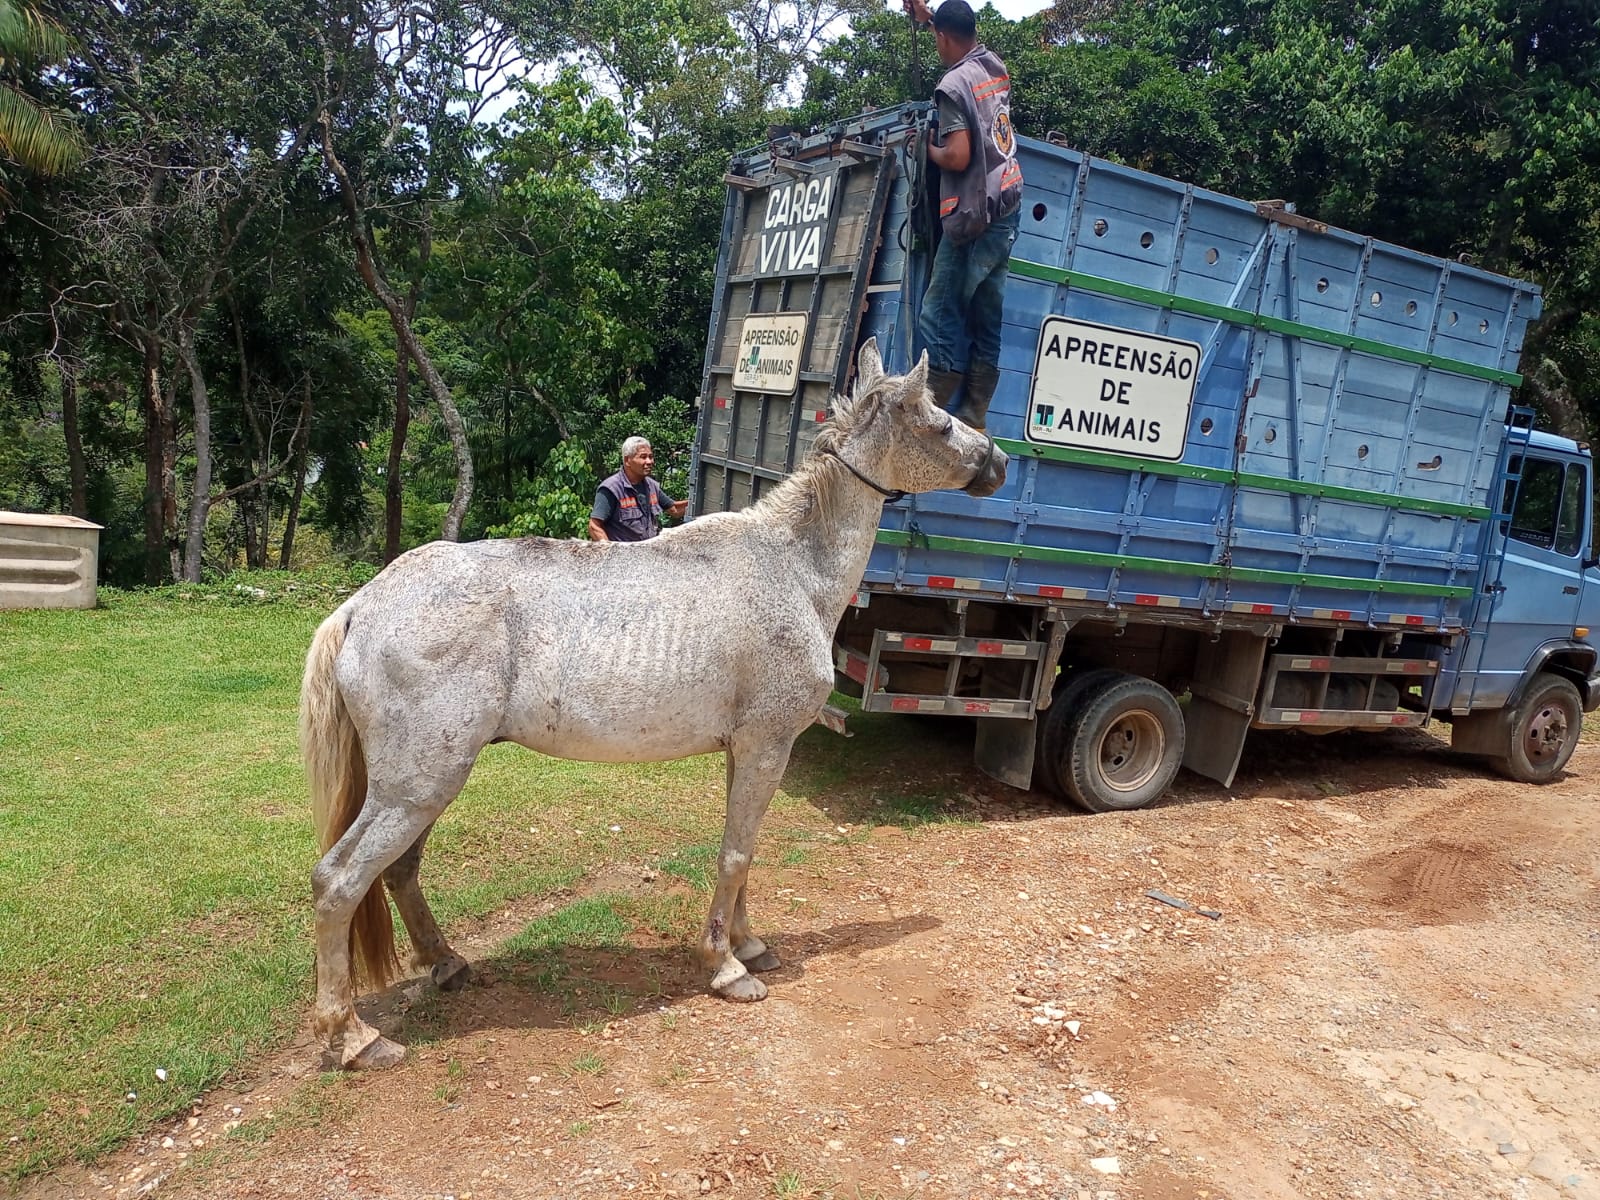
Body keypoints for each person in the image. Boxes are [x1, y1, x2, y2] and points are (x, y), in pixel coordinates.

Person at [903, 0, 1023, 430]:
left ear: (943, 38)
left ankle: (929, 414)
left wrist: (924, 148)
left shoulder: (952, 86)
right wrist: (929, 14)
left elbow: (956, 156)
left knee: (939, 312)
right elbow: (956, 31)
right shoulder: (992, 65)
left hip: (972, 215)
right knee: (987, 314)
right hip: (1005, 205)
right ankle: (975, 413)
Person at [587, 436, 688, 542]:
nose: (649, 461)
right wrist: (610, 553)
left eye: (651, 456)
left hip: (649, 554)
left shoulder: (651, 486)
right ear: (627, 461)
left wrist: (700, 504)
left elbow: (675, 510)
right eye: (643, 457)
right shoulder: (611, 489)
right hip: (624, 555)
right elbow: (594, 526)